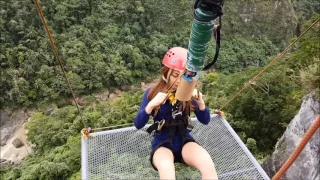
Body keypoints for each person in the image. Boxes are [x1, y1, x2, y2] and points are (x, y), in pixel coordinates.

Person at [134, 47, 218, 180]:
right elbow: (138, 124)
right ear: (165, 73)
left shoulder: (188, 93)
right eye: (174, 75)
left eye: (183, 76)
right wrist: (150, 106)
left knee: (208, 166)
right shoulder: (152, 93)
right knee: (167, 171)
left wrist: (201, 103)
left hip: (185, 140)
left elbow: (205, 120)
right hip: (162, 143)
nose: (179, 81)